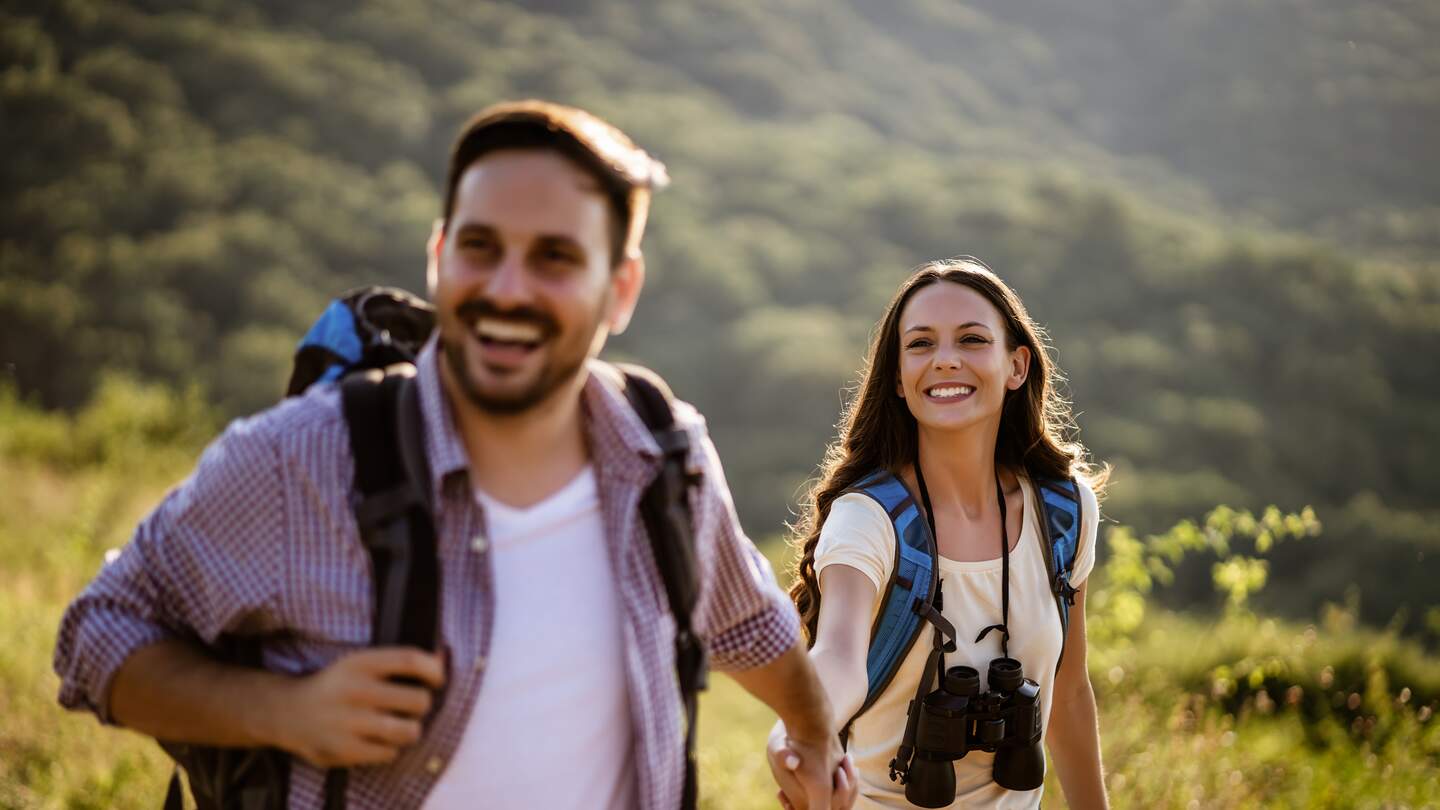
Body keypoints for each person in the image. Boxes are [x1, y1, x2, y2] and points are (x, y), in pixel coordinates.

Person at [54, 100, 856, 810]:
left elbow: (749, 625)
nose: (507, 288)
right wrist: (283, 712)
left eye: (554, 257)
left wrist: (815, 736)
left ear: (621, 287)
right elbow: (97, 635)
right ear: (439, 254)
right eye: (480, 247)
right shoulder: (302, 459)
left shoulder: (664, 458)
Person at [766, 258, 1109, 809]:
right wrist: (797, 733)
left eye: (972, 339)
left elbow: (1067, 694)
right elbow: (838, 657)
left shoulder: (1064, 512)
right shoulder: (867, 519)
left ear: (1017, 365)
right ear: (898, 379)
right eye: (920, 344)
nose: (945, 360)